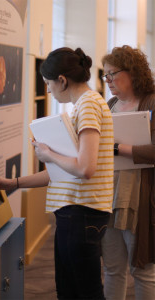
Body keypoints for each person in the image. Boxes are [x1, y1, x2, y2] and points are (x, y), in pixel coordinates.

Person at [0, 47, 114, 300]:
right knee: (68, 289)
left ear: (62, 80)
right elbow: (63, 172)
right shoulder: (83, 106)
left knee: (83, 291)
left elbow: (85, 168)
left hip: (82, 213)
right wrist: (13, 182)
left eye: (49, 84)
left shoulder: (87, 107)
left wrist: (48, 154)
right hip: (76, 213)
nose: (49, 90)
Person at [101, 45, 155, 300]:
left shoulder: (152, 101)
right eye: (105, 75)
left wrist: (117, 148)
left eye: (112, 73)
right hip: (109, 198)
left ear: (133, 72)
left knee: (143, 271)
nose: (108, 80)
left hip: (141, 200)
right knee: (112, 270)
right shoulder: (110, 104)